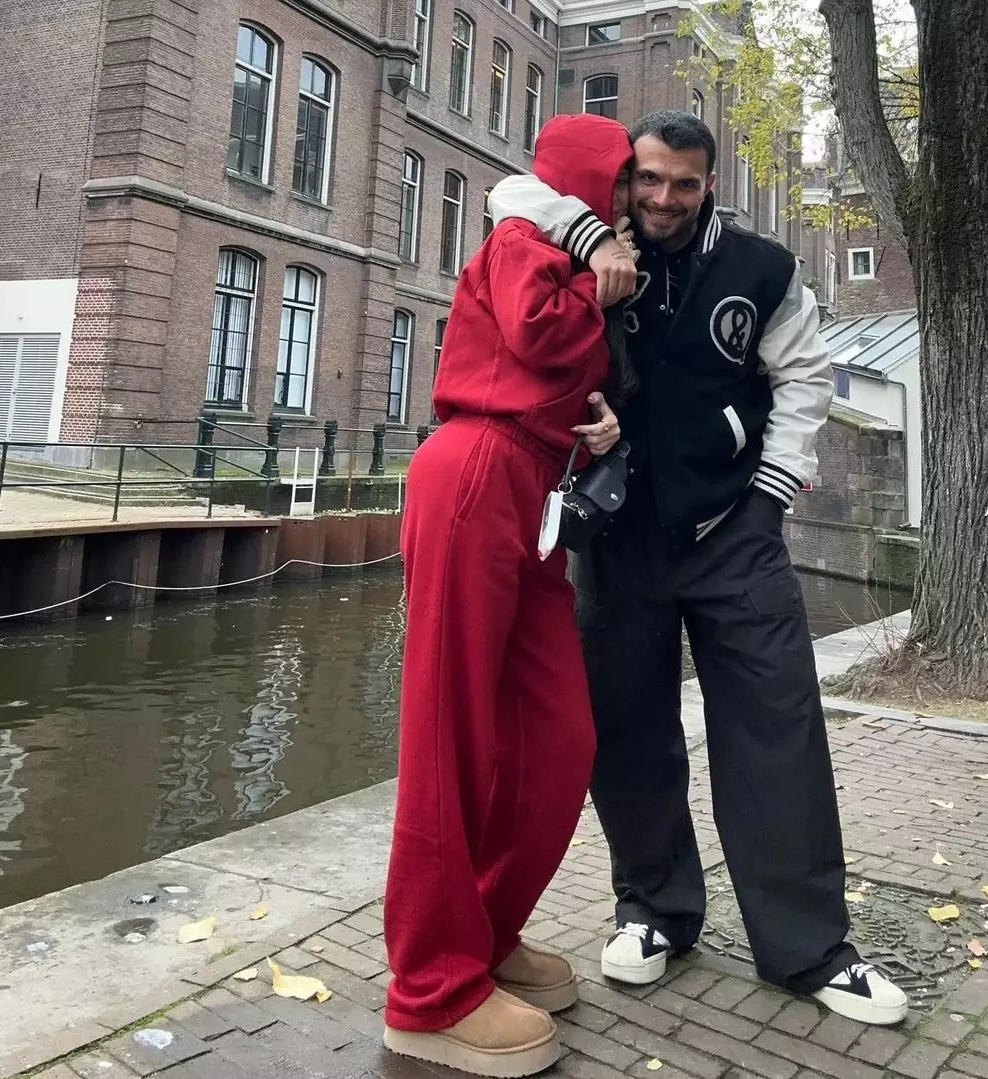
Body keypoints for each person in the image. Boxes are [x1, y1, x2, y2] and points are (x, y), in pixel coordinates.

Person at [487, 110, 909, 1027]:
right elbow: (505, 194)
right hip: (621, 535)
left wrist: (768, 495)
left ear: (709, 183)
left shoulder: (762, 268)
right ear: (625, 178)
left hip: (733, 533)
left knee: (777, 726)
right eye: (648, 178)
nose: (665, 198)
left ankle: (811, 948)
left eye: (685, 182)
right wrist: (592, 235)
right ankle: (654, 909)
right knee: (629, 731)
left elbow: (806, 378)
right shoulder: (586, 238)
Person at [382, 113, 635, 1077]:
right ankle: (428, 990)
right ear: (588, 182)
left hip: (532, 493)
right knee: (449, 731)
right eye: (620, 183)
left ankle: (483, 931)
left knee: (556, 735)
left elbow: (556, 370)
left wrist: (597, 425)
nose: (630, 204)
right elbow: (539, 329)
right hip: (476, 474)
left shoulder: (561, 246)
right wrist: (599, 266)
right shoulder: (523, 237)